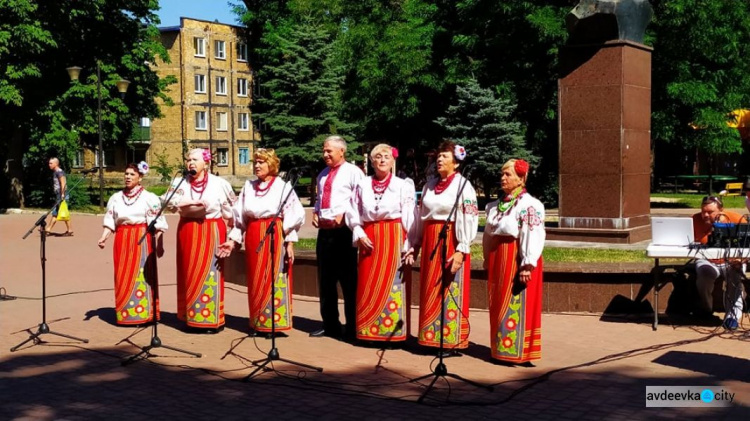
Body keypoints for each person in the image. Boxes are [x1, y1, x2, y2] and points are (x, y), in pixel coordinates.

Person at [410, 141, 478, 353]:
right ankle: (430, 336)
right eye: (438, 156)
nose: (439, 160)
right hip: (432, 238)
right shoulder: (429, 185)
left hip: (452, 240)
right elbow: (422, 217)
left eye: (445, 157)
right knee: (430, 287)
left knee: (449, 287)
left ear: (456, 163)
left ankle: (450, 340)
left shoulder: (463, 186)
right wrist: (417, 243)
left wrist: (462, 248)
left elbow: (468, 218)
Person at [228, 149, 305, 337]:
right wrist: (233, 240)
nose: (257, 165)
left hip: (276, 233)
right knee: (256, 278)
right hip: (255, 234)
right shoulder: (248, 186)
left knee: (274, 275)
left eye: (261, 162)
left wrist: (290, 243)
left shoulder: (282, 187)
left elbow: (294, 214)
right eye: (255, 162)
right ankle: (257, 321)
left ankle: (275, 322)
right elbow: (240, 217)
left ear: (271, 164)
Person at [347, 144, 416, 343]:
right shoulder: (363, 184)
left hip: (393, 236)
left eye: (386, 156)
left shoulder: (403, 185)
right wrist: (358, 232)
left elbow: (409, 215)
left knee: (394, 282)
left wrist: (409, 242)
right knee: (367, 282)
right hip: (370, 237)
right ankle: (368, 330)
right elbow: (352, 210)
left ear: (393, 160)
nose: (382, 160)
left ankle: (392, 334)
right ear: (372, 161)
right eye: (378, 157)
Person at [163, 148, 237, 332]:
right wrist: (185, 204)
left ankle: (210, 319)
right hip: (187, 230)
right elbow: (165, 202)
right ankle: (191, 316)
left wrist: (233, 235)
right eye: (188, 159)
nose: (190, 163)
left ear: (206, 163)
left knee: (210, 272)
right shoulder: (180, 182)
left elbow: (233, 211)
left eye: (195, 159)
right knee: (189, 272)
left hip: (211, 230)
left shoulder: (220, 184)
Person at [483, 159, 545, 364]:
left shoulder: (529, 205)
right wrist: (486, 258)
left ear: (521, 178)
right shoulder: (496, 206)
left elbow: (532, 233)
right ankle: (501, 348)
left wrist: (527, 264)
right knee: (499, 301)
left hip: (515, 257)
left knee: (518, 303)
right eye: (502, 174)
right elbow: (489, 235)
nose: (503, 178)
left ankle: (518, 351)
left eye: (508, 174)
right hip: (498, 258)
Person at [98, 162, 167, 325]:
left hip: (141, 238)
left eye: (132, 174)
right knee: (123, 274)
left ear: (140, 178)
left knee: (142, 275)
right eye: (126, 174)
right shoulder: (116, 198)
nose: (128, 177)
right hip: (122, 238)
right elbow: (110, 221)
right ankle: (126, 314)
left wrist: (160, 244)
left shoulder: (149, 197)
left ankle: (144, 314)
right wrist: (104, 237)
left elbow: (158, 224)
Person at [311, 135, 364, 339]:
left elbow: (359, 200)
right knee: (325, 280)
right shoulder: (323, 174)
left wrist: (347, 214)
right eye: (324, 151)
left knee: (349, 281)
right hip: (325, 232)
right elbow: (320, 200)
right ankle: (330, 324)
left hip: (344, 232)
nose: (325, 154)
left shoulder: (353, 173)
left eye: (329, 151)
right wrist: (316, 212)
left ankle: (352, 326)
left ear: (342, 151)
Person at [691, 196, 746, 330]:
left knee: (735, 277)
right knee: (704, 274)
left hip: (732, 260)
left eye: (710, 212)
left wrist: (741, 260)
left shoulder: (737, 219)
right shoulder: (694, 220)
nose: (705, 215)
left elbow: (747, 245)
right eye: (703, 211)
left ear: (721, 211)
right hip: (707, 260)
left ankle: (732, 317)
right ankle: (706, 309)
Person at [46, 157, 73, 236]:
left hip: (61, 194)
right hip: (59, 194)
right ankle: (69, 229)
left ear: (56, 164)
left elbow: (63, 183)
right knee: (59, 212)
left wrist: (62, 194)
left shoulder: (59, 172)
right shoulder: (55, 172)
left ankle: (48, 229)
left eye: (51, 163)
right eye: (49, 163)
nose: (49, 165)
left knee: (59, 212)